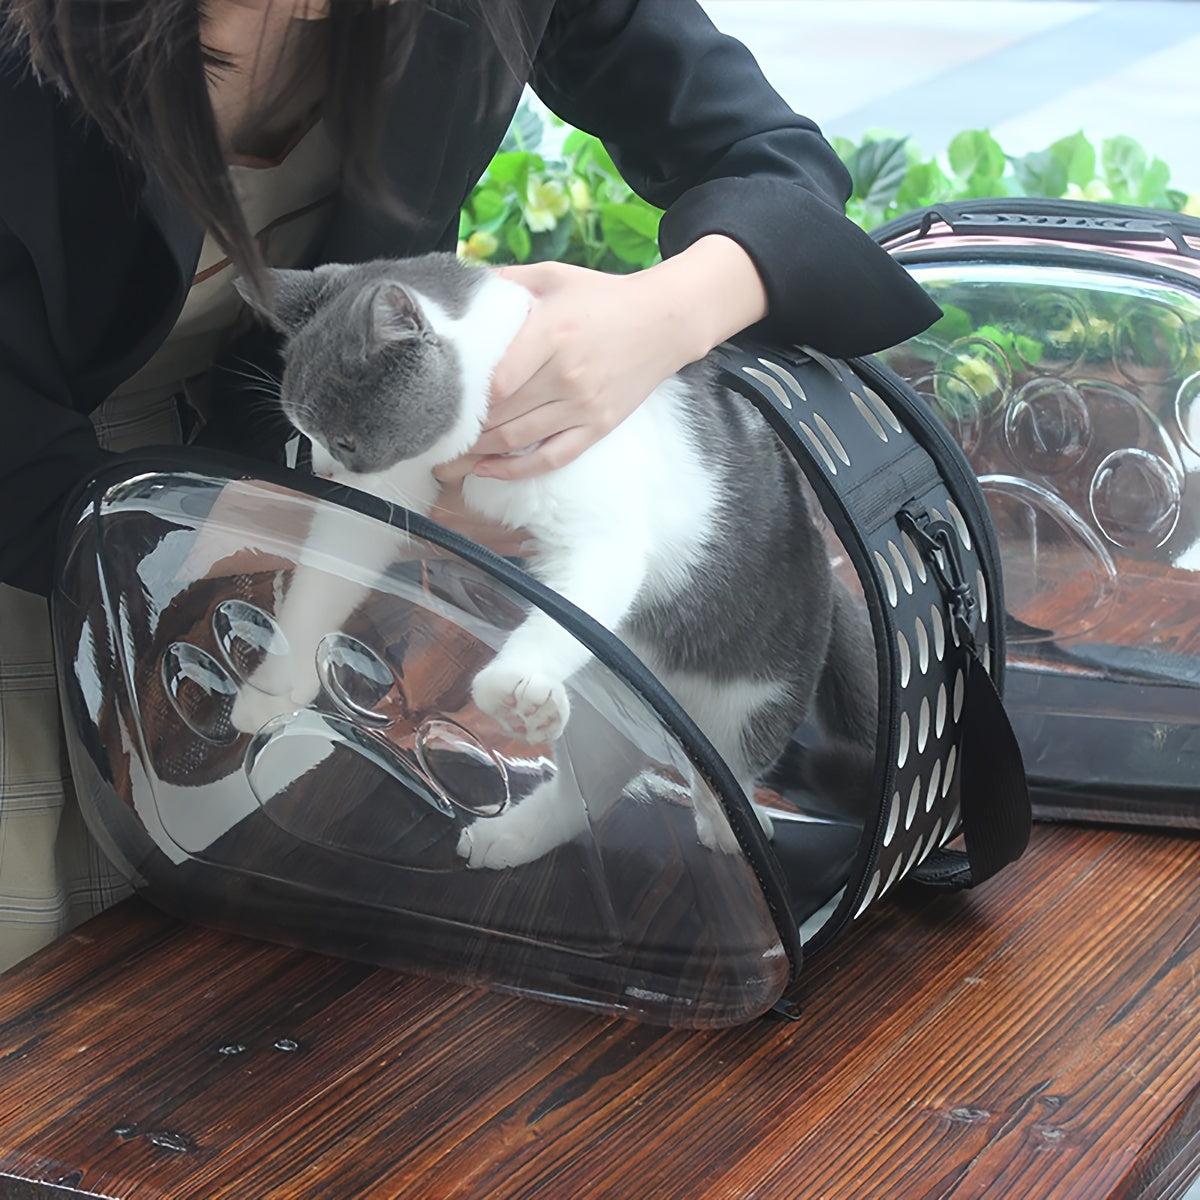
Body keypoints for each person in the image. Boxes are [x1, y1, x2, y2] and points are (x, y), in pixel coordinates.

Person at [0, 0, 940, 971]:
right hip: (35, 503)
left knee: (248, 941)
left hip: (316, 479)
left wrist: (660, 319)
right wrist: (210, 528)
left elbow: (773, 165)